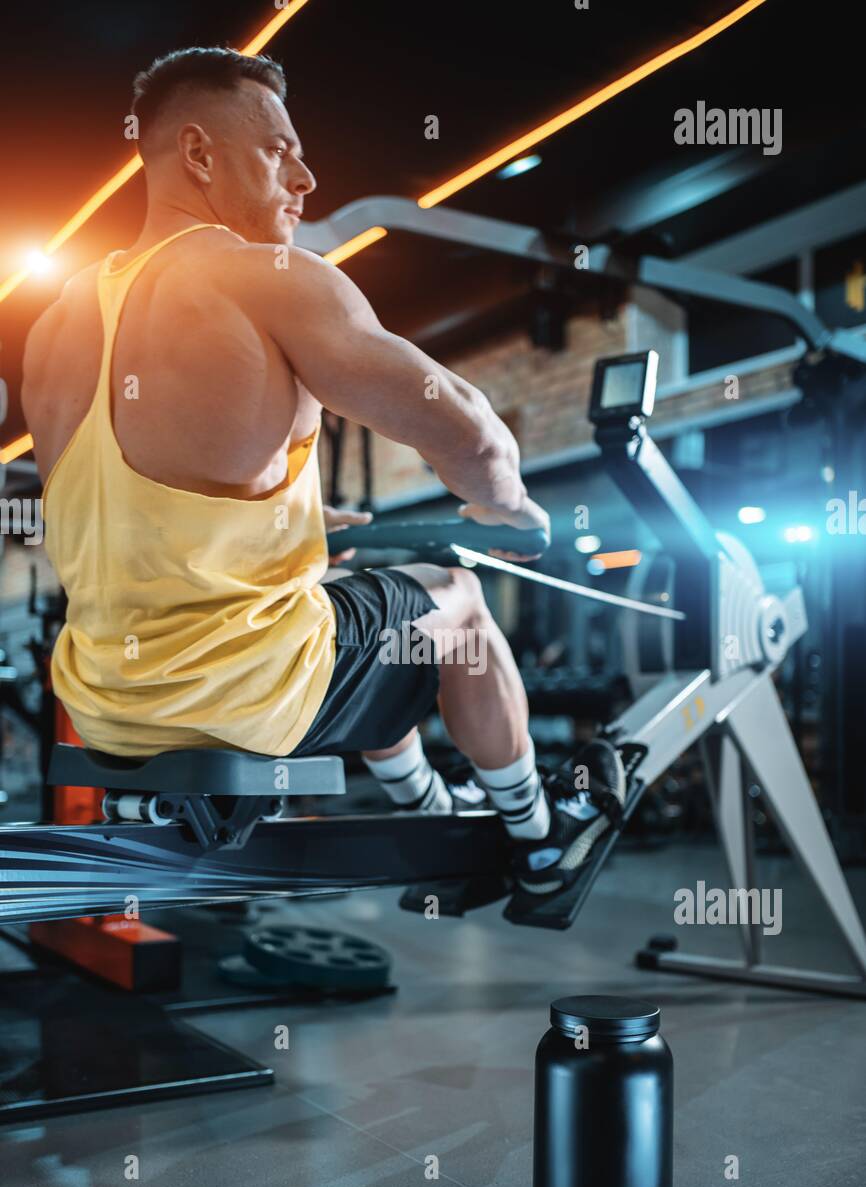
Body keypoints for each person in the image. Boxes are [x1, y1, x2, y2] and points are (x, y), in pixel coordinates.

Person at [21, 46, 624, 896]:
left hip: (106, 707)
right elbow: (472, 435)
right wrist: (508, 510)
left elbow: (123, 502)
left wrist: (290, 521)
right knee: (454, 604)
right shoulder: (267, 279)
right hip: (246, 697)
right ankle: (540, 834)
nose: (304, 178)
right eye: (279, 149)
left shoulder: (54, 326)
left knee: (363, 609)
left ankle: (428, 805)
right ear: (199, 153)